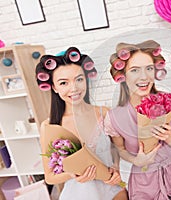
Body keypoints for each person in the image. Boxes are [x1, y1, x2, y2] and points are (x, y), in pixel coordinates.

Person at [104, 40, 171, 199]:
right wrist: (136, 160)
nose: (144, 76)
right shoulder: (114, 118)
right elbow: (120, 150)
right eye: (134, 70)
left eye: (149, 68)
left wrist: (169, 137)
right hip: (143, 184)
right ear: (123, 76)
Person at [36, 47, 128, 200]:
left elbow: (118, 149)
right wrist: (73, 174)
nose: (74, 88)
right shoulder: (50, 126)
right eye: (64, 83)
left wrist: (116, 168)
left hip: (113, 190)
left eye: (79, 79)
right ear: (54, 87)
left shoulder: (104, 113)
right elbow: (50, 177)